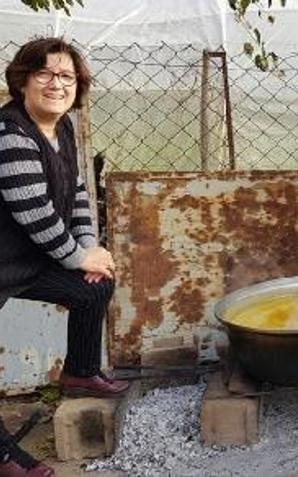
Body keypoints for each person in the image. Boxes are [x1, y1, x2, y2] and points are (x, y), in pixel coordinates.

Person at [0, 37, 130, 476]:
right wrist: (77, 257)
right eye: (45, 73)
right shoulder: (11, 134)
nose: (57, 83)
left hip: (26, 262)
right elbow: (34, 213)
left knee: (94, 287)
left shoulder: (64, 128)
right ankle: (6, 459)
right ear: (23, 81)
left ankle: (80, 371)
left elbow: (75, 192)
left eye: (67, 76)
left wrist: (88, 250)